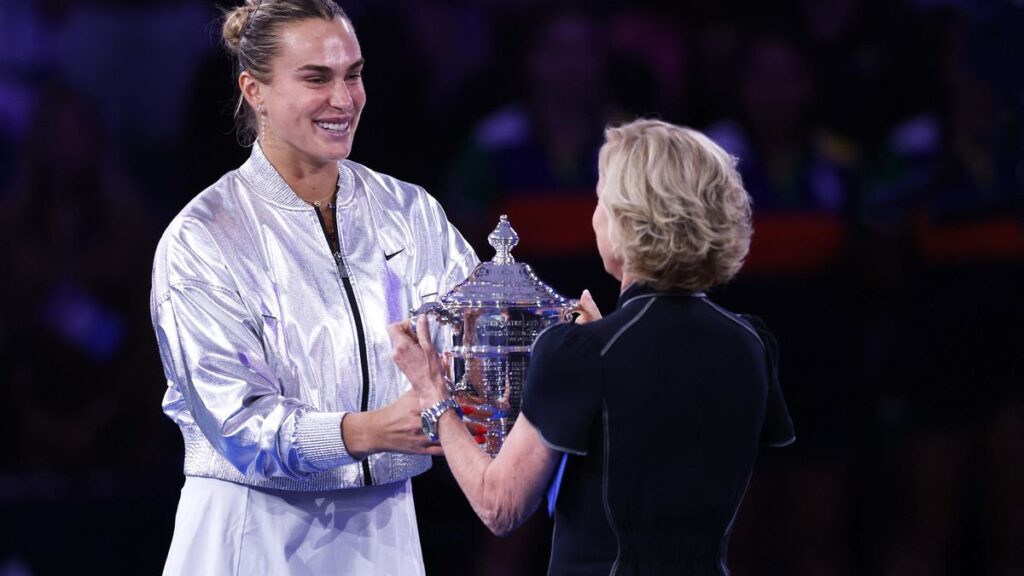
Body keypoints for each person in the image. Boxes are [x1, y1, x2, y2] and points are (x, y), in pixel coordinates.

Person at [150, 1, 477, 574]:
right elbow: (236, 422)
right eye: (316, 78)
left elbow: (477, 340)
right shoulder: (202, 237)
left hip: (386, 528)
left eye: (353, 74)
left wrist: (553, 341)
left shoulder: (409, 212)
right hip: (251, 530)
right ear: (255, 91)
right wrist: (367, 431)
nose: (344, 99)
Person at [390, 119, 795, 575]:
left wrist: (433, 395)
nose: (594, 215)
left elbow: (498, 506)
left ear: (629, 220)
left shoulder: (582, 353)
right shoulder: (751, 343)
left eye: (601, 199)